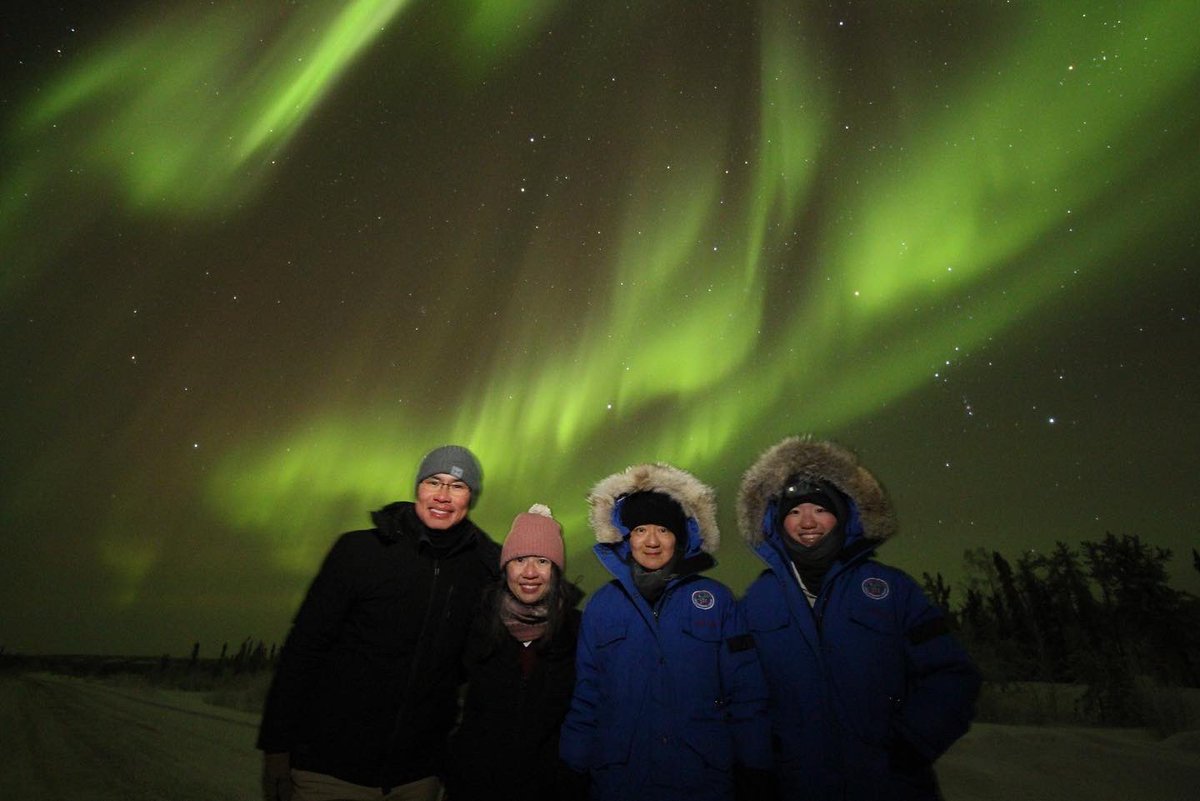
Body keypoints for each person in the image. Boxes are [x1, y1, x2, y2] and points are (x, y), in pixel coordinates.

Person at [736, 436, 981, 801]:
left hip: (890, 786)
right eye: (793, 511)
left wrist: (913, 743)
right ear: (776, 522)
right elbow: (741, 693)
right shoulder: (757, 600)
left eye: (820, 509)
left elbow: (950, 674)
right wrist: (757, 764)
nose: (807, 521)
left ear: (843, 515)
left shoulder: (891, 589)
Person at [257, 445, 500, 801]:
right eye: (434, 481)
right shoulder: (358, 552)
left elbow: (475, 665)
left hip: (416, 777)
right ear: (417, 487)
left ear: (471, 497)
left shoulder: (480, 571)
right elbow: (304, 648)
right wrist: (276, 746)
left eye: (457, 486)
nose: (443, 496)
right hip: (330, 769)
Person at [560, 462, 772, 801]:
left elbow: (745, 692)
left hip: (701, 781)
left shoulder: (717, 601)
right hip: (621, 781)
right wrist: (573, 765)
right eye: (641, 530)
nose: (652, 541)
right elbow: (588, 695)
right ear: (627, 539)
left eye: (664, 530)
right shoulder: (602, 606)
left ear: (681, 538)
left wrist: (755, 765)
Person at [445, 504, 583, 801]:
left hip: (549, 788)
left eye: (542, 561)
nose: (530, 573)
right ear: (505, 566)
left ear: (556, 570)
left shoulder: (578, 631)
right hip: (474, 786)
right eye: (519, 559)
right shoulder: (476, 623)